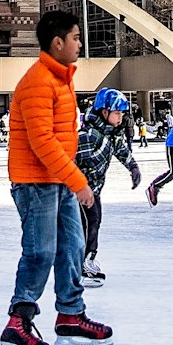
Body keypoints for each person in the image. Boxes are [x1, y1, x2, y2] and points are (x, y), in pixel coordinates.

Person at [0, 10, 110, 345]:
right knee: (40, 251)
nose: (80, 44)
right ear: (57, 42)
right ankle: (19, 322)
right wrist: (79, 182)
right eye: (76, 37)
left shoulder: (61, 79)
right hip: (35, 182)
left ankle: (71, 316)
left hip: (57, 180)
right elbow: (42, 141)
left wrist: (69, 179)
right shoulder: (38, 82)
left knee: (73, 247)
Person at [73, 88, 142, 286]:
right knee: (87, 225)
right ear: (104, 112)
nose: (120, 118)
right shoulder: (88, 135)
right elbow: (74, 162)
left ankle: (87, 260)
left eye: (121, 114)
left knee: (95, 223)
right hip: (79, 192)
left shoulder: (111, 134)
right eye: (117, 113)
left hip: (94, 190)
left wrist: (133, 167)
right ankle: (81, 266)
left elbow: (121, 151)